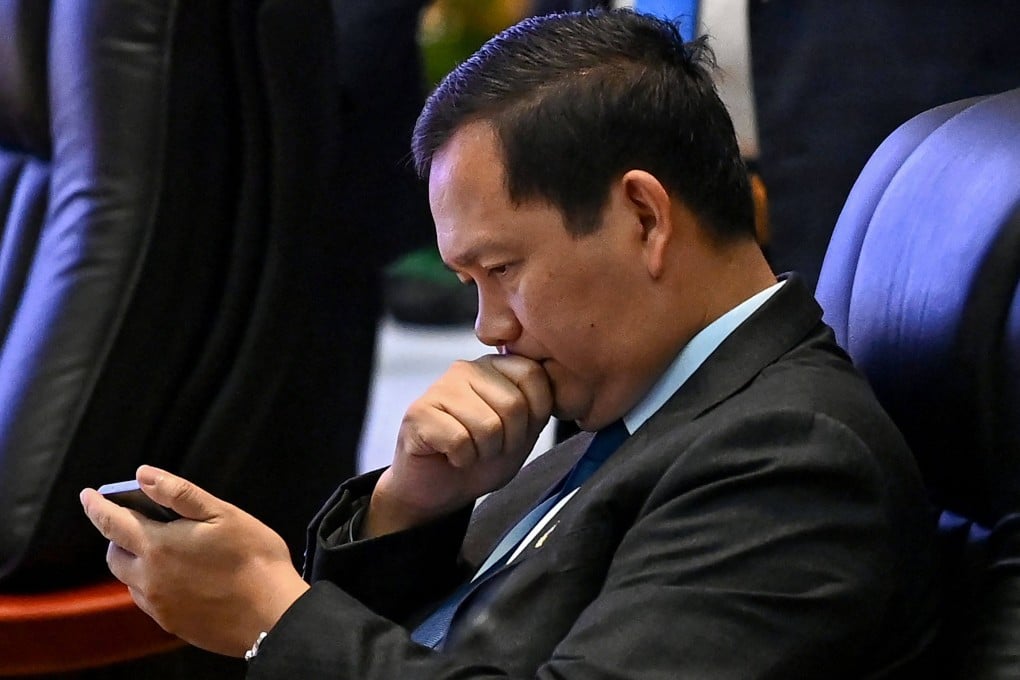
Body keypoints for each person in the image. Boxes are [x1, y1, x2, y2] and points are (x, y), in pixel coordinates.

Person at [80, 10, 940, 678]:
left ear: (643, 218)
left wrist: (274, 618)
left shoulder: (790, 460)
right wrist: (409, 511)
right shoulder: (639, 393)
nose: (490, 329)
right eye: (470, 284)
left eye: (501, 269)